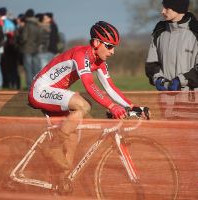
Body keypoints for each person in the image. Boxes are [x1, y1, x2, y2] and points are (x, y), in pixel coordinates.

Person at [28, 21, 149, 174]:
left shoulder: (100, 62)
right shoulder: (81, 55)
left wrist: (132, 106)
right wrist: (112, 106)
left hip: (54, 92)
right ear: (97, 43)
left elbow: (110, 88)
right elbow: (89, 85)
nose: (113, 52)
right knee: (83, 105)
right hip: (40, 90)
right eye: (110, 46)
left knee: (72, 138)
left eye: (114, 47)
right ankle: (52, 147)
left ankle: (62, 181)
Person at [145, 0, 198, 91]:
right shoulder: (159, 32)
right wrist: (158, 79)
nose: (162, 11)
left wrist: (181, 80)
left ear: (178, 8)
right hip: (166, 99)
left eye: (167, 8)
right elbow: (151, 63)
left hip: (194, 100)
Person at [19, 9, 42, 88]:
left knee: (28, 68)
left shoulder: (27, 25)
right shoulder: (37, 25)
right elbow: (40, 38)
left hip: (27, 49)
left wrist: (20, 41)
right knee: (36, 68)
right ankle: (37, 85)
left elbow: (24, 38)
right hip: (36, 49)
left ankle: (30, 86)